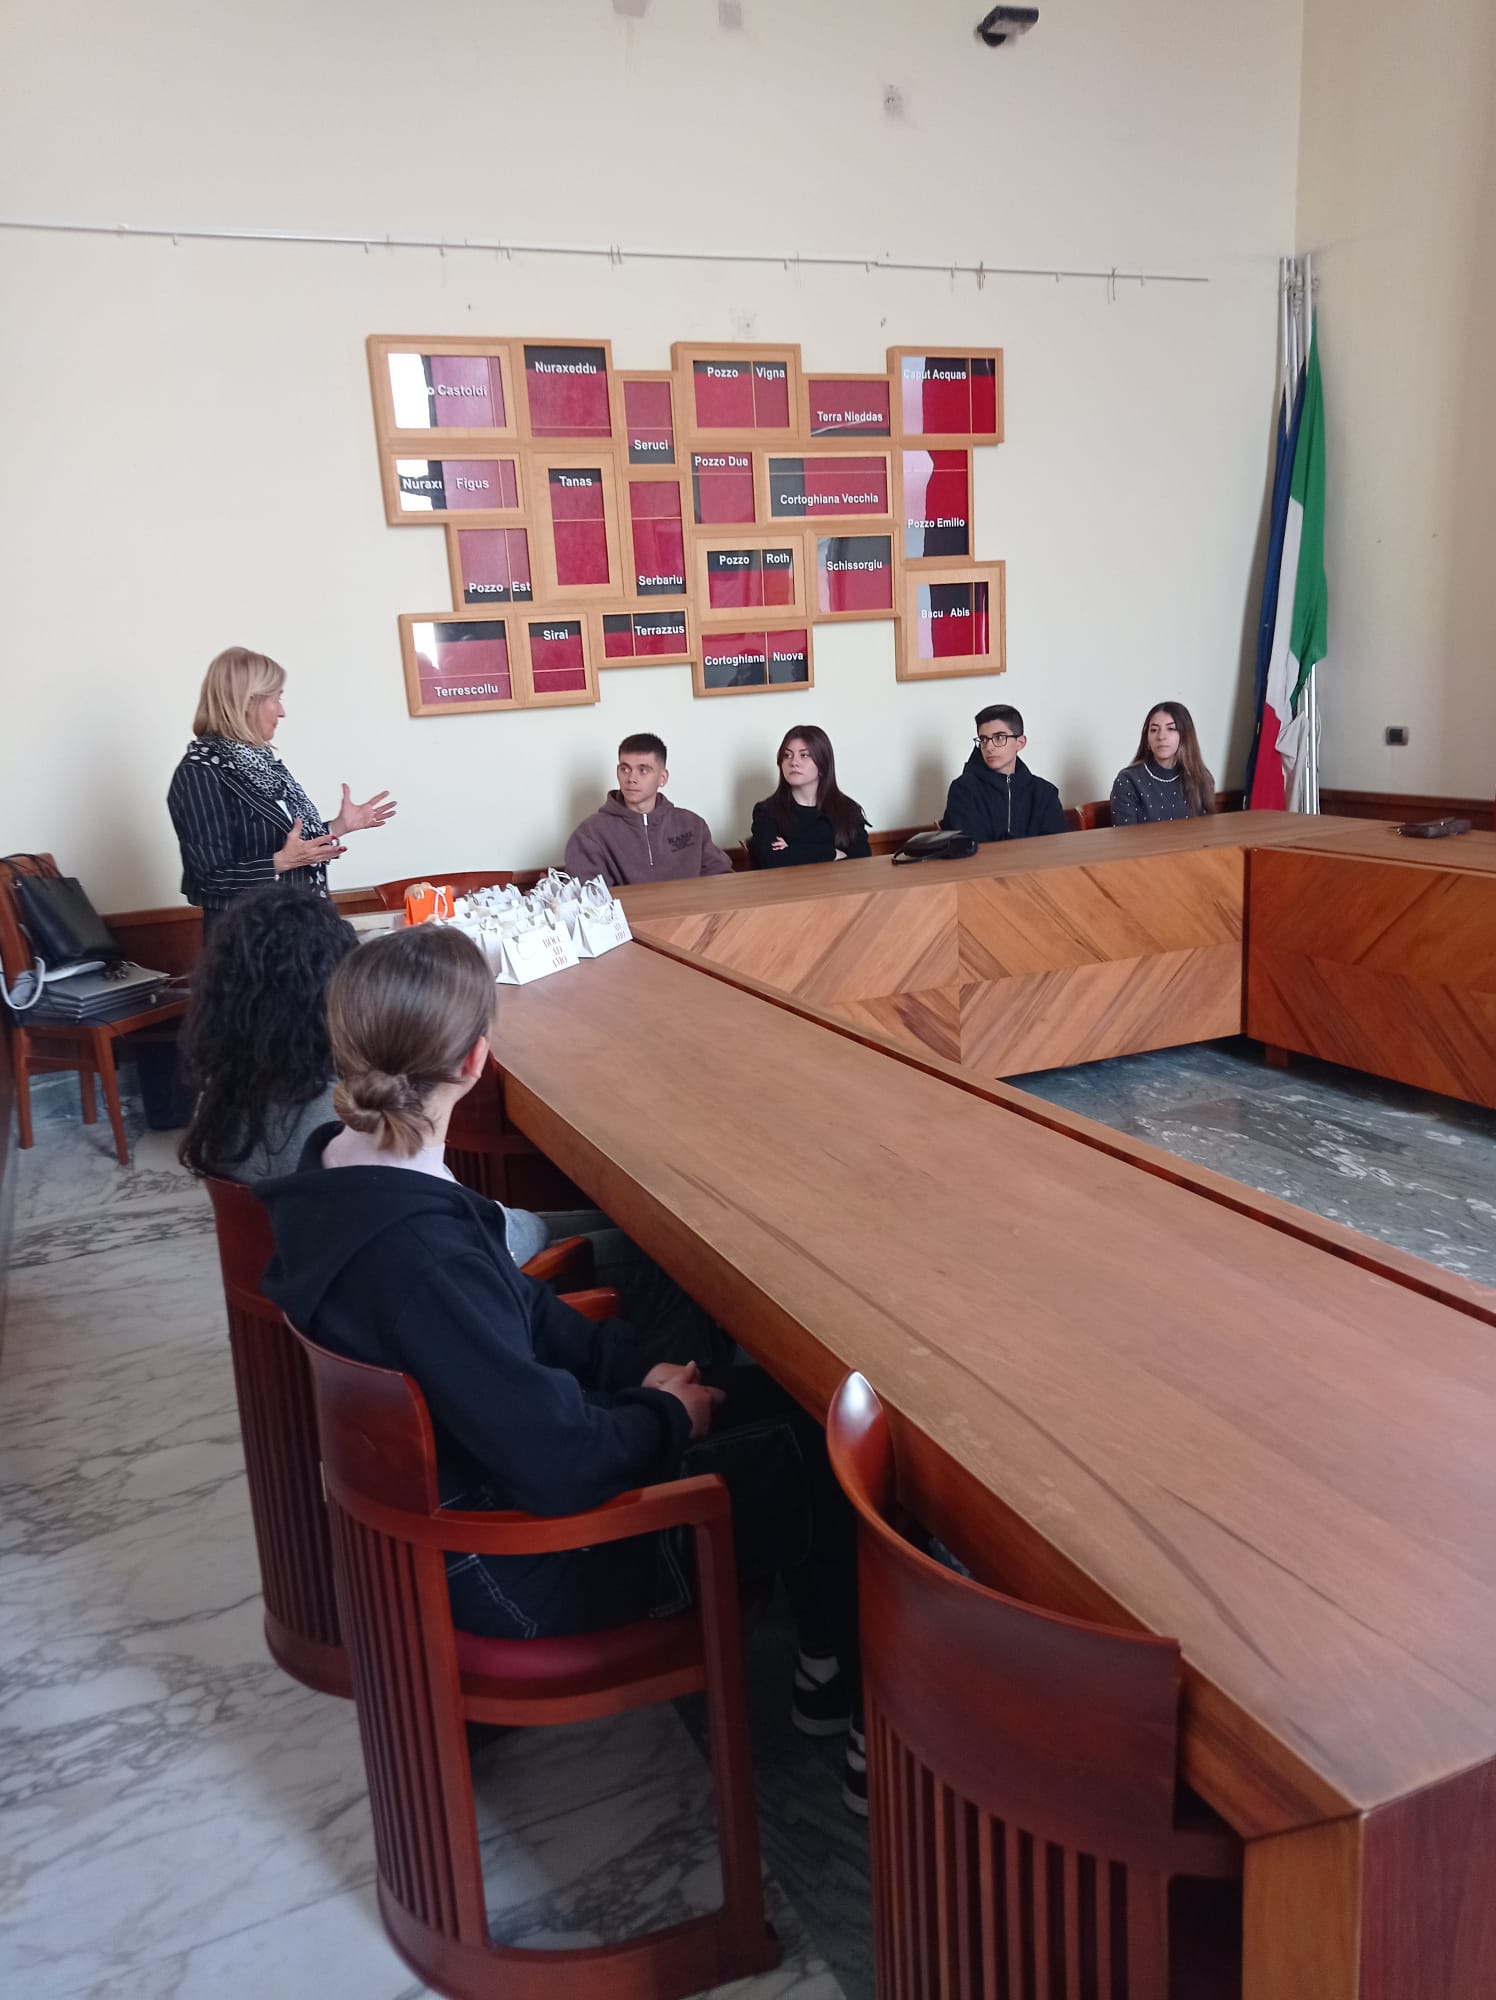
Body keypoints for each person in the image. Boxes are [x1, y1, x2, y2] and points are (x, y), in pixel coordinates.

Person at [257, 925, 863, 1805]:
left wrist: (641, 1375)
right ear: (476, 1060)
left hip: (472, 1507)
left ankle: (825, 1669)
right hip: (517, 1571)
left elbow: (527, 1312)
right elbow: (559, 1463)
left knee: (763, 1397)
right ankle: (864, 1727)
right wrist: (666, 1416)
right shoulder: (422, 1260)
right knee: (824, 1444)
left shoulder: (345, 1172)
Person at [179, 886, 733, 1365]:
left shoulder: (229, 1091)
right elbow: (455, 1236)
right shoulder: (332, 1110)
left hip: (330, 1302)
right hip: (434, 1293)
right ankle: (699, 1417)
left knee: (620, 1223)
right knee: (667, 1255)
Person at [167, 647, 397, 936]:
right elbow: (209, 878)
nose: (282, 711)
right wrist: (281, 862)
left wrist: (340, 827)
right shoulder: (200, 773)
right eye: (276, 698)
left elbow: (286, 844)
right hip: (248, 941)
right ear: (248, 702)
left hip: (302, 927)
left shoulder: (263, 764)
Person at [564, 733, 733, 886]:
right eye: (625, 769)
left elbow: (723, 881)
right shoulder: (590, 834)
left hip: (692, 911)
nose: (631, 778)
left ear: (662, 778)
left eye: (643, 770)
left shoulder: (692, 825)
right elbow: (589, 900)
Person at [940, 704, 1067, 844]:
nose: (989, 747)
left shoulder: (1045, 792)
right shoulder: (963, 790)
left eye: (999, 737)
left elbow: (1056, 847)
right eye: (983, 739)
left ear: (1020, 743)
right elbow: (972, 847)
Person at [748, 726, 871, 868]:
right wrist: (832, 853)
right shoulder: (767, 812)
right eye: (787, 755)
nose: (793, 762)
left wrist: (793, 850)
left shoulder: (847, 809)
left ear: (823, 763)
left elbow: (862, 860)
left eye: (804, 755)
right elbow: (770, 862)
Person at [1110, 701, 1218, 824]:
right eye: (1154, 730)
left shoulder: (1201, 778)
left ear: (1185, 736)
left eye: (1171, 729)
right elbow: (1125, 834)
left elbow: (1207, 831)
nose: (1161, 736)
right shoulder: (1128, 781)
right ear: (1147, 738)